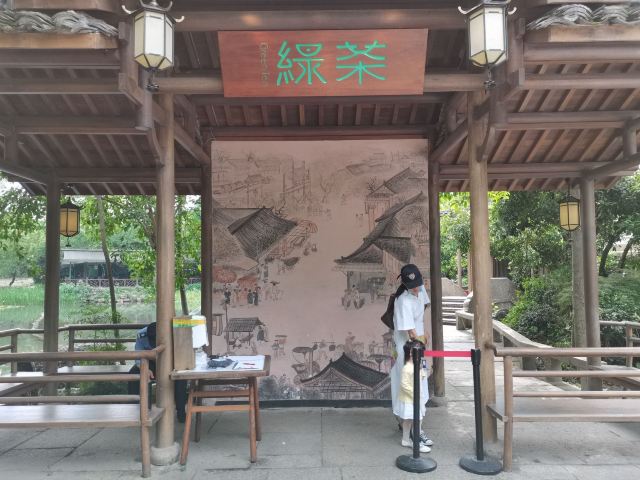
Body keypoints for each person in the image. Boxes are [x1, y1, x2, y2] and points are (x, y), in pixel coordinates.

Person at [391, 264, 434, 450]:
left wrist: (425, 336)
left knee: (421, 385)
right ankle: (409, 433)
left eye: (418, 284)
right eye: (412, 286)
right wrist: (423, 338)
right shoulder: (402, 301)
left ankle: (417, 429)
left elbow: (422, 312)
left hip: (419, 347)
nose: (416, 288)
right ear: (405, 284)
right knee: (410, 389)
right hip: (407, 350)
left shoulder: (420, 290)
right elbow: (411, 333)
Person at [127, 322, 188, 423]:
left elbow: (182, 352)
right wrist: (144, 368)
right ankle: (135, 409)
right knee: (134, 372)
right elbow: (138, 356)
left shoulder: (174, 333)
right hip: (151, 363)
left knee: (181, 377)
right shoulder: (141, 335)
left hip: (172, 362)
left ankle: (181, 412)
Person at [397, 340, 430, 452]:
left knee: (411, 420)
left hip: (416, 397)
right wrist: (415, 394)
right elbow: (404, 385)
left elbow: (423, 376)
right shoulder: (407, 368)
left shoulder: (417, 365)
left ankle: (407, 439)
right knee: (416, 420)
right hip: (410, 399)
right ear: (411, 353)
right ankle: (416, 441)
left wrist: (422, 368)